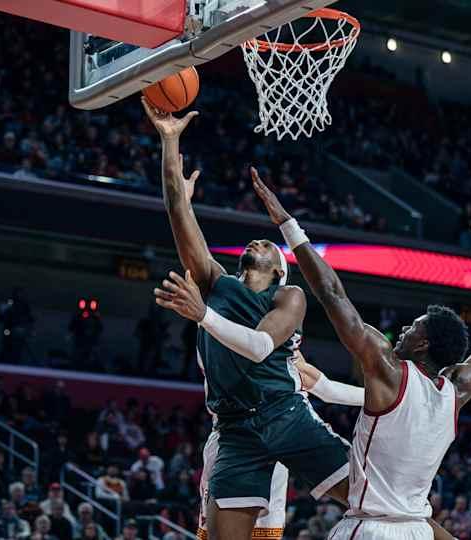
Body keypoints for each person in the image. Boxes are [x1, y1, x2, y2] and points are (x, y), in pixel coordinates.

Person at [252, 172, 471, 539]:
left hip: (372, 528)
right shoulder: (456, 391)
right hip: (417, 530)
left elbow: (331, 293)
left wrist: (287, 224)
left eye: (414, 327)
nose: (405, 329)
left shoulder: (390, 372)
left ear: (423, 345)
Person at [144, 99, 354, 540]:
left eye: (268, 245)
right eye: (254, 242)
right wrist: (170, 142)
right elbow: (177, 210)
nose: (258, 240)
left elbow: (260, 348)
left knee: (379, 502)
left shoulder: (288, 296)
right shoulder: (215, 283)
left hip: (285, 414)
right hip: (233, 428)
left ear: (279, 270)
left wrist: (203, 315)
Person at [192, 351, 365, 540]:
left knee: (367, 494)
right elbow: (324, 389)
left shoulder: (284, 346)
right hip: (234, 439)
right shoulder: (226, 338)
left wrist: (385, 398)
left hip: (277, 440)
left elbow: (325, 388)